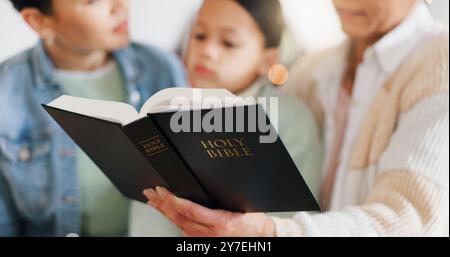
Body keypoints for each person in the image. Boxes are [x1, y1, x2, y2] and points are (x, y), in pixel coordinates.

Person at [143, 0, 449, 236]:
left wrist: (270, 232)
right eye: (199, 36)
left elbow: (410, 217)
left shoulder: (440, 63)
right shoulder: (314, 71)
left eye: (229, 43)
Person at [129, 0, 322, 237]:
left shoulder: (290, 120)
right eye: (199, 36)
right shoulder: (165, 109)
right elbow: (148, 210)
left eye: (229, 43)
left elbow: (291, 220)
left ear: (268, 60)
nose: (207, 51)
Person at [0, 0, 186, 236]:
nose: (121, 6)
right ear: (39, 21)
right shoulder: (6, 92)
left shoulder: (162, 67)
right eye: (93, 1)